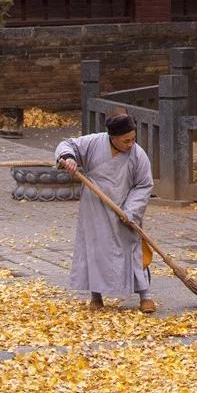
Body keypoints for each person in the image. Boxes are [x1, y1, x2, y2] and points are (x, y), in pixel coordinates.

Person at [56, 112, 156, 313]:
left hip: (124, 208)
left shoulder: (138, 154)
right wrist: (68, 158)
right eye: (125, 140)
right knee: (95, 249)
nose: (130, 144)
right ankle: (96, 296)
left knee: (132, 248)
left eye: (133, 139)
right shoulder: (93, 143)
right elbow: (67, 145)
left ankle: (145, 295)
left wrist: (131, 211)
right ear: (112, 137)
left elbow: (144, 185)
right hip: (95, 207)